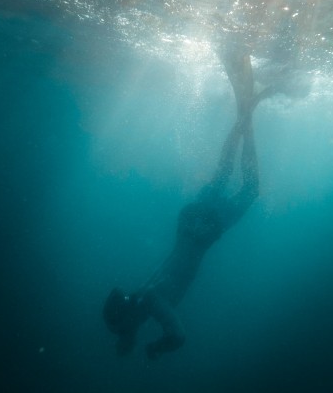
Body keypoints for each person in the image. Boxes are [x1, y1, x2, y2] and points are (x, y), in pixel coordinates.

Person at [103, 45, 277, 359]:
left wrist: (156, 347)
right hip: (189, 225)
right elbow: (135, 320)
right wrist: (129, 337)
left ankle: (246, 117)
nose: (124, 331)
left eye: (123, 327)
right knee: (224, 173)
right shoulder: (141, 299)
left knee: (249, 189)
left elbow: (178, 336)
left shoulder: (150, 301)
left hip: (198, 235)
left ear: (127, 316)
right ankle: (244, 116)